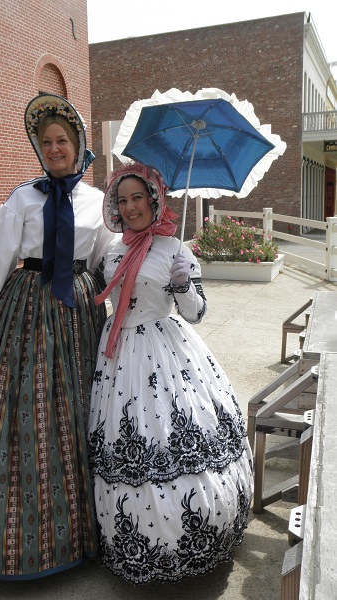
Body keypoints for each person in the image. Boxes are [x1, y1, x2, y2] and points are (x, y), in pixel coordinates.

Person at [0, 93, 114, 580]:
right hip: (28, 306)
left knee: (77, 407)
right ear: (39, 148)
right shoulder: (23, 197)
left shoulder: (98, 201)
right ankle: (15, 530)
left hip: (77, 308)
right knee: (25, 411)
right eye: (47, 141)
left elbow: (103, 258)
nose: (55, 148)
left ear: (79, 145)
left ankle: (80, 527)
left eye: (63, 140)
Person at [87, 163, 254, 585]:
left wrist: (183, 284)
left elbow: (196, 314)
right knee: (124, 438)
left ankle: (188, 537)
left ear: (154, 200)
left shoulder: (176, 250)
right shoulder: (113, 250)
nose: (129, 208)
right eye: (121, 201)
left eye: (136, 198)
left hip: (165, 350)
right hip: (117, 355)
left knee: (169, 433)